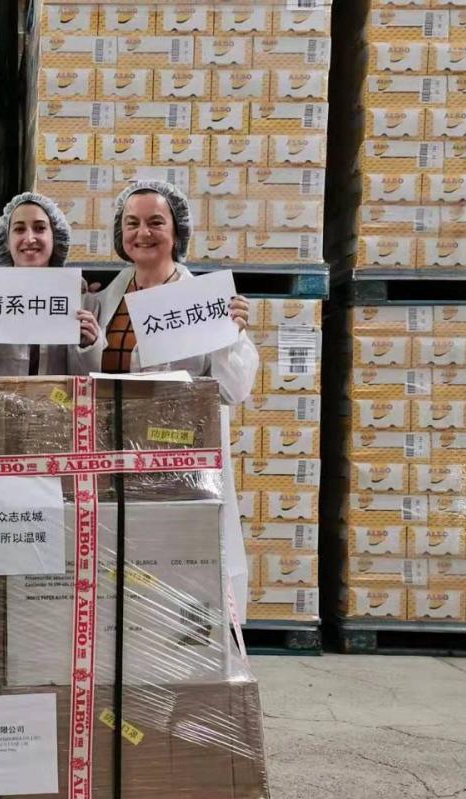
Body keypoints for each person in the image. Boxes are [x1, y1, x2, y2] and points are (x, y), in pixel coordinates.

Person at [94, 179, 258, 618]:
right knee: (116, 578)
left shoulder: (205, 303)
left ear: (177, 232)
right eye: (132, 223)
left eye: (155, 223)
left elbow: (232, 389)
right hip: (111, 459)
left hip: (179, 463)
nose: (142, 233)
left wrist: (232, 335)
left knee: (178, 574)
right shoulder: (102, 301)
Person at [0, 191, 103, 382]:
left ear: (55, 237)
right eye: (19, 229)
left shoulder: (82, 302)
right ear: (6, 241)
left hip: (55, 409)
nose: (30, 238)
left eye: (40, 228)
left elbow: (91, 388)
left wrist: (88, 346)